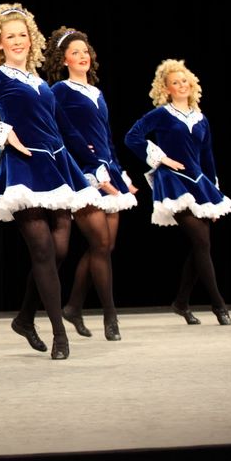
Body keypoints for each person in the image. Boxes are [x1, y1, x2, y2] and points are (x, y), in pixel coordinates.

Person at [0, 4, 100, 360]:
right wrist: (3, 133)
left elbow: (60, 125)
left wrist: (93, 159)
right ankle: (59, 334)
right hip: (23, 169)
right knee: (43, 252)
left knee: (59, 252)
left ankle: (24, 318)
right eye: (11, 36)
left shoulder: (39, 82)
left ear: (31, 39)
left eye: (23, 35)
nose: (18, 41)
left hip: (56, 167)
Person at [125, 59, 231, 325]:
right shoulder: (162, 114)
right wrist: (162, 158)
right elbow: (132, 136)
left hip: (199, 184)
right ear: (167, 88)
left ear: (191, 84)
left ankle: (181, 302)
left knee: (200, 246)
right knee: (201, 243)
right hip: (173, 181)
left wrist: (213, 198)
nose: (182, 85)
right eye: (175, 82)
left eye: (184, 80)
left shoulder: (201, 119)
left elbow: (207, 158)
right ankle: (219, 305)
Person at [45, 27, 136, 341]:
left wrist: (119, 173)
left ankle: (73, 306)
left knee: (105, 247)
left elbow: (107, 138)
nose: (82, 56)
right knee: (99, 243)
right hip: (82, 173)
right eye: (75, 53)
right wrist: (93, 170)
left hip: (108, 171)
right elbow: (65, 133)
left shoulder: (97, 92)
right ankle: (110, 316)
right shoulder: (59, 90)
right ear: (64, 60)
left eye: (85, 51)